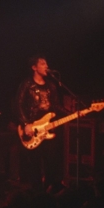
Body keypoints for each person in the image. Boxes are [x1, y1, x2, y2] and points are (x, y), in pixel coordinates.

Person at [15, 54, 70, 192]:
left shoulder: (51, 85)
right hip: (32, 127)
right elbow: (19, 104)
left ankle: (50, 188)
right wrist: (26, 123)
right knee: (34, 162)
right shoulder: (27, 84)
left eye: (46, 64)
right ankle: (36, 191)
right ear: (34, 67)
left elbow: (56, 105)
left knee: (51, 159)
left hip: (48, 128)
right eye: (43, 64)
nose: (46, 66)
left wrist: (72, 113)